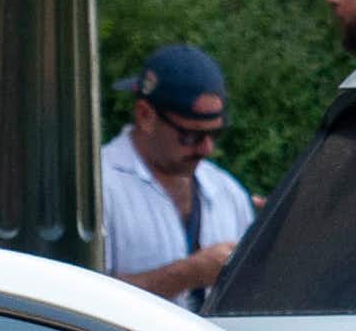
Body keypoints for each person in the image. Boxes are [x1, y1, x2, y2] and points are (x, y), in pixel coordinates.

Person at [101, 44, 255, 308]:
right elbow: (80, 300)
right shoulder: (101, 187)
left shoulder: (227, 191)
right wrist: (186, 275)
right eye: (191, 136)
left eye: (214, 134)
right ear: (146, 116)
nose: (207, 148)